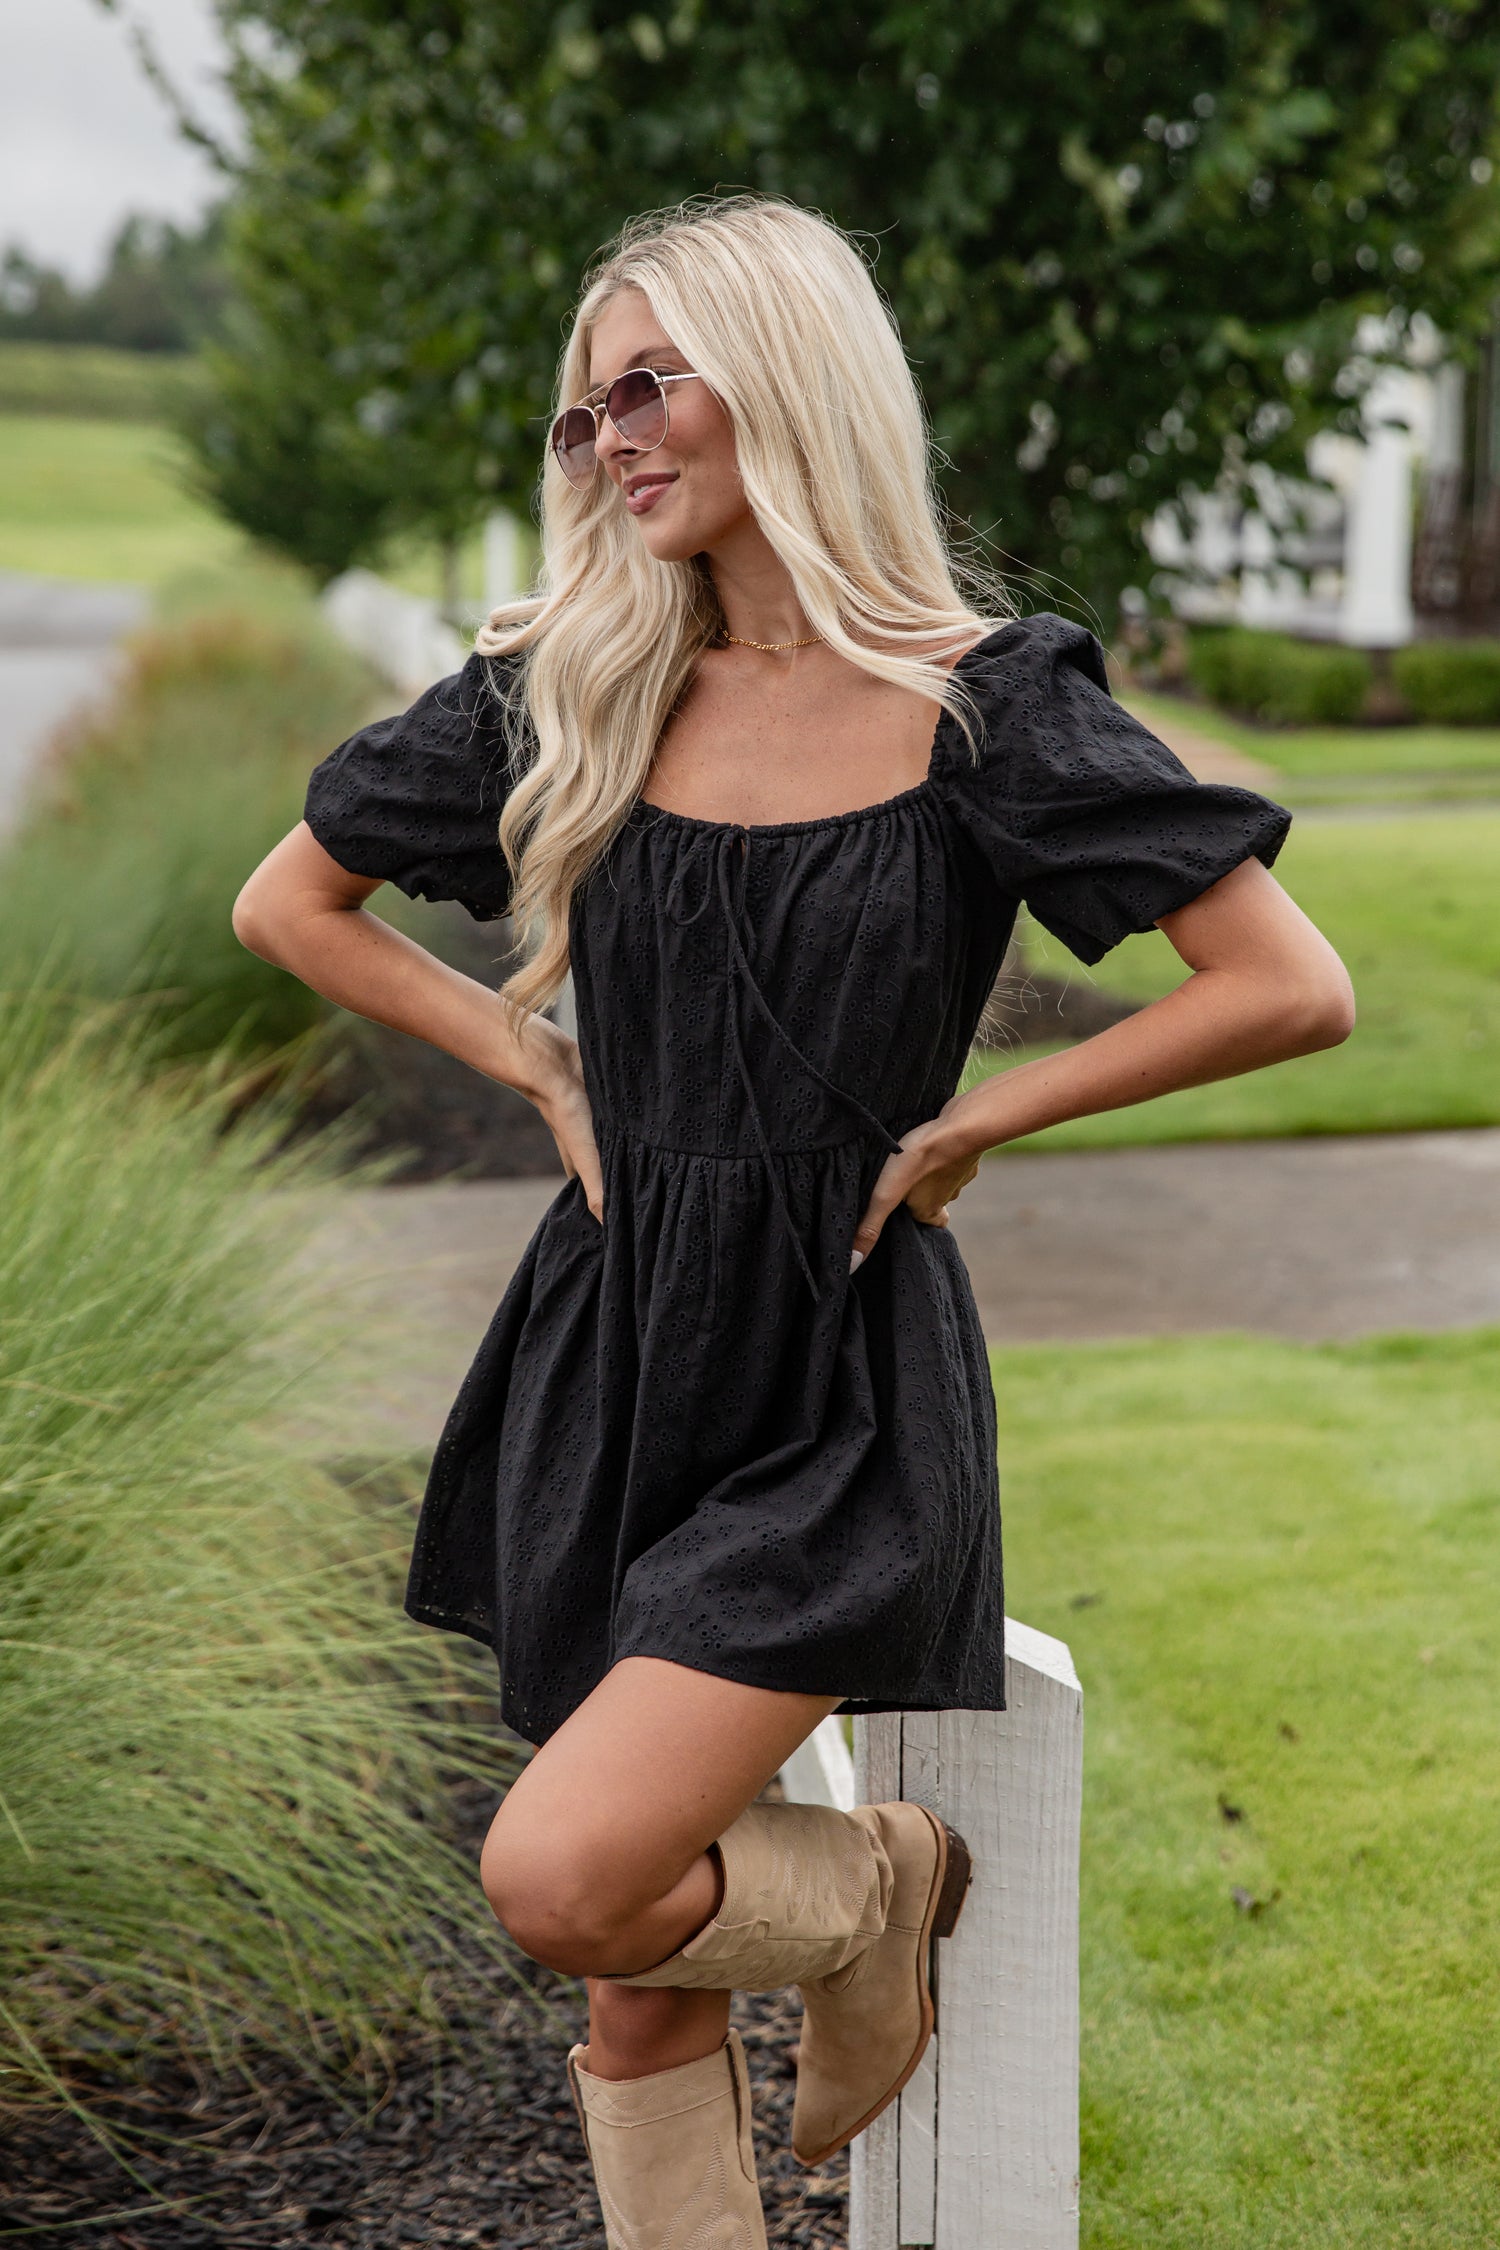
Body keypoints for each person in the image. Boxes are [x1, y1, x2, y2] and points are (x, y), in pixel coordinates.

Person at [233, 196, 1354, 2245]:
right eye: (584, 417)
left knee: (566, 1874)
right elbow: (286, 904)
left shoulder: (990, 705)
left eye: (646, 384)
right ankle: (873, 1911)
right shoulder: (571, 683)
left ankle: (881, 1892)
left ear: (793, 374)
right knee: (635, 1988)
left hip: (834, 1388)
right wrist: (528, 1058)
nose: (611, 441)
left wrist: (976, 1117)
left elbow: (1290, 985)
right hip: (611, 1349)